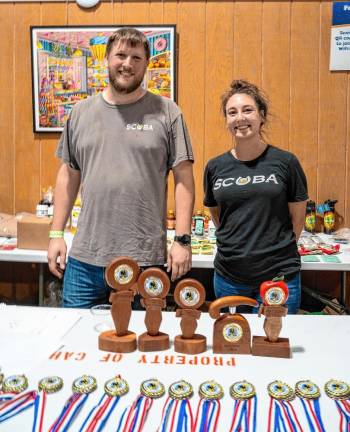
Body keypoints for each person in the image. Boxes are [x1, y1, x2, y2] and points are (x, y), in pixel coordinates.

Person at [48, 28, 195, 308]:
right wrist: (56, 234)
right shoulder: (80, 113)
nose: (127, 64)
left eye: (136, 57)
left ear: (146, 64)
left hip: (144, 259)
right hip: (85, 259)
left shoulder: (167, 112)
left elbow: (184, 178)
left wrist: (183, 240)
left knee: (143, 345)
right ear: (107, 59)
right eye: (121, 55)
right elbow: (68, 174)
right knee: (76, 342)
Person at [203, 79, 308, 314]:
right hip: (229, 278)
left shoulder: (286, 162)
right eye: (232, 112)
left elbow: (297, 221)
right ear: (227, 120)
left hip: (279, 278)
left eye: (247, 110)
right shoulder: (215, 167)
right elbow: (218, 216)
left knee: (275, 345)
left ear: (261, 115)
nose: (239, 118)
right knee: (233, 345)